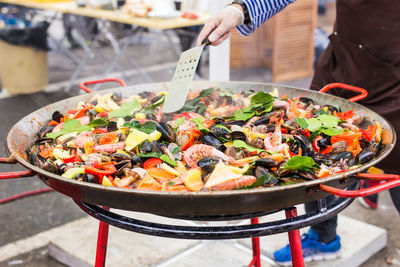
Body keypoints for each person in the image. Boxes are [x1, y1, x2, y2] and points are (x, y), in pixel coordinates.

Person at [196, 0, 400, 265]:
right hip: (343, 64)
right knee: (309, 155)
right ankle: (323, 237)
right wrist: (239, 10)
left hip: (396, 80)